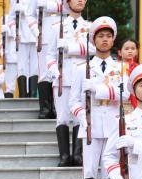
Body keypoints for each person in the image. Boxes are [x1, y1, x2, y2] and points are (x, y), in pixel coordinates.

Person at [70, 17, 128, 179]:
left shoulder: (121, 68)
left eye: (108, 36)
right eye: (101, 36)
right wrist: (82, 119)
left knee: (108, 167)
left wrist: (98, 89)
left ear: (113, 40)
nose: (104, 40)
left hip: (112, 123)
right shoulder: (81, 69)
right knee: (89, 169)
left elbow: (126, 94)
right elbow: (73, 101)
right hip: (91, 122)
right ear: (93, 40)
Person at [44, 0, 91, 167]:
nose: (80, 1)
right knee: (62, 118)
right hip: (63, 77)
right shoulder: (57, 27)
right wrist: (55, 72)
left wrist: (71, 48)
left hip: (82, 76)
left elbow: (94, 49)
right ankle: (64, 155)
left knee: (80, 117)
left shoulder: (89, 27)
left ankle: (78, 155)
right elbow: (49, 55)